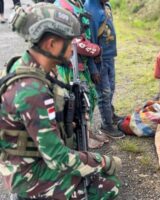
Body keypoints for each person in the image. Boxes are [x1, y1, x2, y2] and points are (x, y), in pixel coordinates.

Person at [0, 3, 121, 199]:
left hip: (27, 159)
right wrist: (103, 162)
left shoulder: (24, 65)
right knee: (109, 185)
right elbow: (58, 158)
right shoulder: (32, 90)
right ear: (52, 44)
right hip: (28, 174)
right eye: (70, 40)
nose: (74, 47)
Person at [54, 0, 109, 148]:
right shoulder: (62, 6)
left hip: (83, 64)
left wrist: (93, 68)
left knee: (90, 98)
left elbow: (87, 36)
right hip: (69, 67)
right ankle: (79, 139)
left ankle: (88, 131)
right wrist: (96, 50)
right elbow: (74, 41)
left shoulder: (79, 4)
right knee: (75, 104)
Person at [85, 0, 125, 138]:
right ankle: (106, 125)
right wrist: (93, 69)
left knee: (111, 88)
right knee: (104, 93)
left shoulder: (106, 5)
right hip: (98, 61)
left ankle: (110, 114)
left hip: (108, 57)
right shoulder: (90, 11)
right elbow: (88, 42)